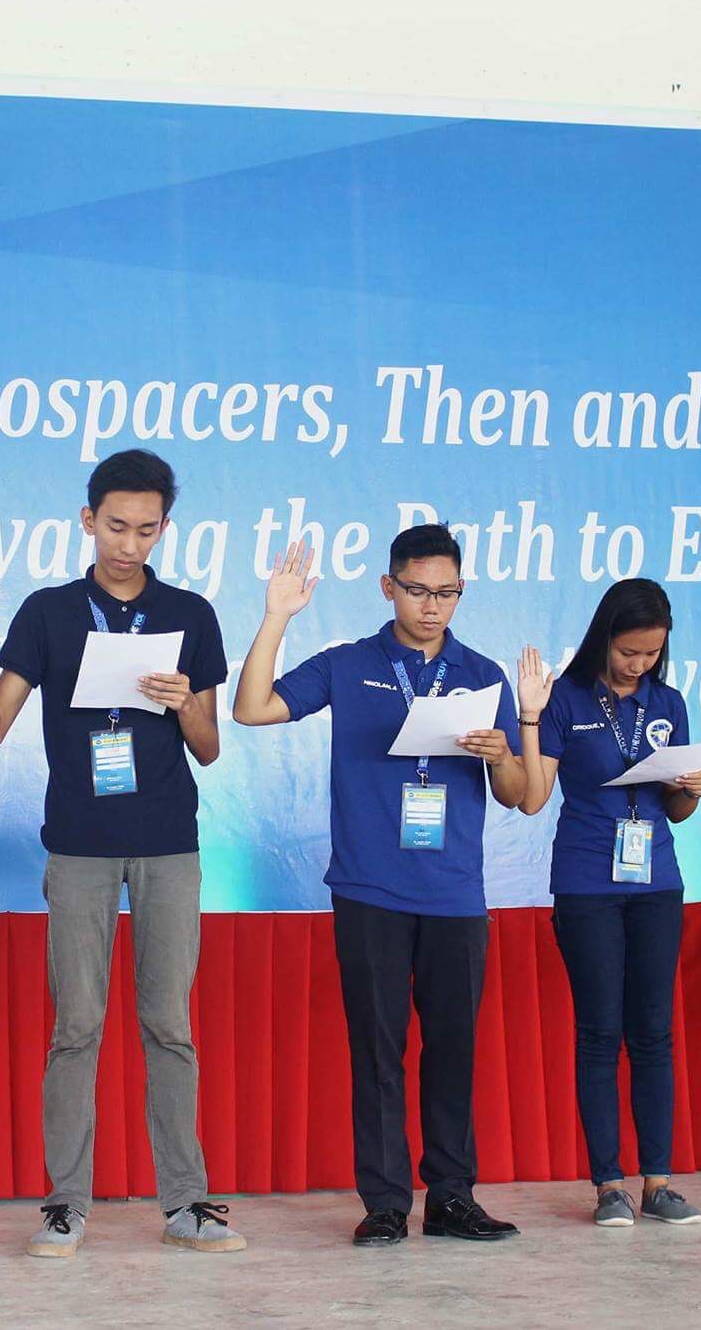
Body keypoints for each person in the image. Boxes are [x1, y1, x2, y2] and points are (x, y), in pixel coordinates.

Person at [0, 448, 243, 1258]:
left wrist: (185, 704)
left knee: (169, 1023)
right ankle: (65, 1204)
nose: (129, 543)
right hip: (79, 844)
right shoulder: (49, 612)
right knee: (77, 1025)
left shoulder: (190, 613)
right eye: (116, 525)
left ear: (164, 528)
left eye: (146, 529)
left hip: (167, 843)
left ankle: (186, 1202)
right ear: (88, 520)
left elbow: (210, 746)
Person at [232, 527, 545, 1248]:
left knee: (453, 1049)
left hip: (455, 894)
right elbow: (252, 708)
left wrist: (502, 753)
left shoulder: (482, 674)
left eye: (447, 593)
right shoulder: (349, 664)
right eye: (418, 590)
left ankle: (453, 1197)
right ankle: (384, 1202)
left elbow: (517, 793)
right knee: (377, 1051)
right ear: (388, 587)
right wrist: (277, 616)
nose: (432, 606)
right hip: (369, 889)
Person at [526, 579, 701, 1228]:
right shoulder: (566, 697)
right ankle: (609, 1183)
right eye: (629, 652)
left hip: (657, 882)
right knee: (600, 1031)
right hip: (587, 883)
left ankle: (659, 1181)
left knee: (654, 1031)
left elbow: (677, 811)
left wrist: (693, 788)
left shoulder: (669, 702)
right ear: (604, 638)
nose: (639, 664)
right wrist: (528, 719)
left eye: (651, 654)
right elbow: (533, 796)